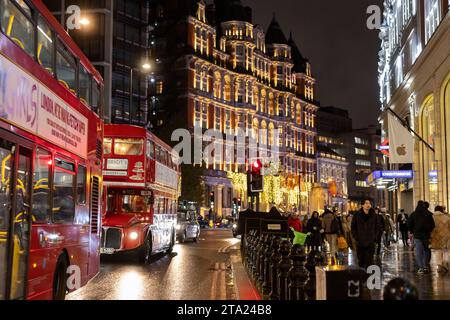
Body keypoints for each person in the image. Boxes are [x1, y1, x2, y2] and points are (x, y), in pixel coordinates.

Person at [351, 199, 382, 270]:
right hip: (360, 242)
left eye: (369, 203)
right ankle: (362, 277)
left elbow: (377, 227)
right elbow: (353, 228)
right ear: (362, 205)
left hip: (370, 241)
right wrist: (356, 238)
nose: (368, 205)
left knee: (369, 261)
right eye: (366, 203)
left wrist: (375, 237)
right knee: (361, 261)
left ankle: (368, 277)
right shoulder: (357, 215)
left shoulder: (374, 215)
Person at [408, 201, 435, 274]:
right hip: (426, 235)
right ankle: (425, 266)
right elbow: (433, 225)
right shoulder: (428, 214)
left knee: (419, 252)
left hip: (417, 235)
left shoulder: (414, 214)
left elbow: (409, 223)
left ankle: (421, 267)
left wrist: (412, 231)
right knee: (426, 250)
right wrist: (429, 231)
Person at [430, 206, 450, 273]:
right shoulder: (447, 217)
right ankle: (445, 263)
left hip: (436, 236)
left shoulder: (431, 217)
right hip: (446, 236)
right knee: (446, 251)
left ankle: (439, 265)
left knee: (437, 251)